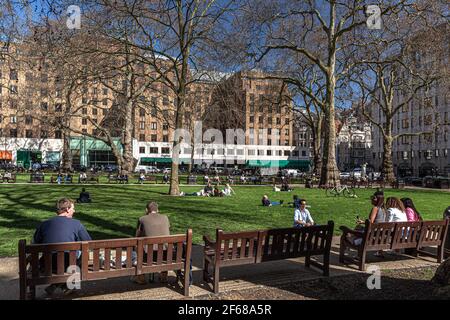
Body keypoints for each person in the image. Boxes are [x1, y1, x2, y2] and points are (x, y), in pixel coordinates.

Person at [33, 198, 92, 295]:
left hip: (48, 265)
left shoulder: (44, 224)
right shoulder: (76, 224)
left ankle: (56, 284)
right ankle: (70, 286)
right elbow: (89, 243)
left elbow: (35, 244)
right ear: (68, 209)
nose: (74, 211)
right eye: (73, 208)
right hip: (69, 265)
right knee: (81, 251)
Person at [133, 202, 170, 284]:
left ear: (146, 210)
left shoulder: (142, 219)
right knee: (164, 246)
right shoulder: (165, 218)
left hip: (148, 256)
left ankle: (141, 277)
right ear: (158, 210)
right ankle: (164, 275)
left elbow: (137, 237)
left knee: (137, 247)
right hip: (166, 255)